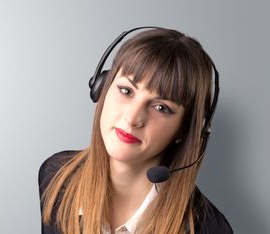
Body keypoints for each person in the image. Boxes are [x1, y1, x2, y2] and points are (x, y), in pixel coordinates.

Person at [38, 27, 233, 234]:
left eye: (161, 107)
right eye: (126, 91)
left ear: (185, 129)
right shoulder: (57, 176)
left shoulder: (208, 229)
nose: (132, 118)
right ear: (101, 88)